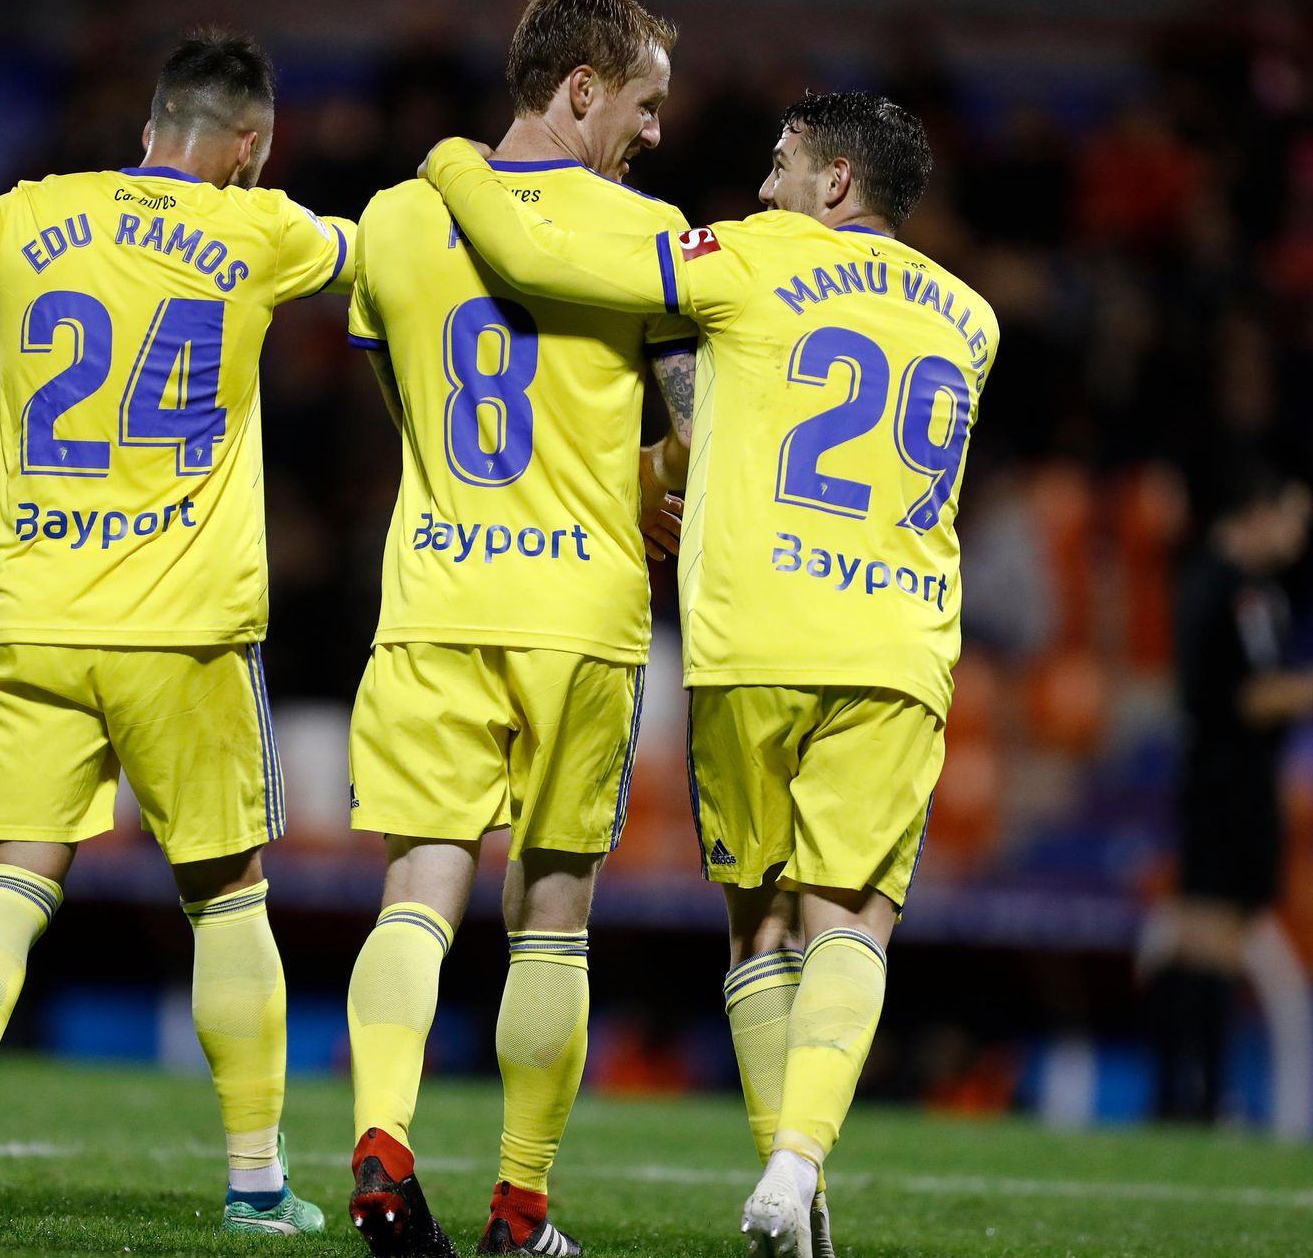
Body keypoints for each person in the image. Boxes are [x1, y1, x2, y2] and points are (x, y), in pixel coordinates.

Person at [422, 89, 997, 1258]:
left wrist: (453, 164)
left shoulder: (748, 256)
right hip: (894, 646)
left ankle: (792, 1175)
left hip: (749, 639)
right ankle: (798, 1165)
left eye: (782, 164)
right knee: (851, 923)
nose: (764, 183)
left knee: (757, 927)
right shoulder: (972, 318)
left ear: (836, 182)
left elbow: (540, 257)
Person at [0, 29, 355, 1238]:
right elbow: (391, 253)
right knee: (228, 899)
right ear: (251, 146)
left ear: (147, 128)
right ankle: (255, 1183)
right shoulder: (263, 228)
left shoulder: (25, 213)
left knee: (11, 883)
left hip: (33, 620)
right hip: (186, 634)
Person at [341, 0, 692, 1255]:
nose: (654, 132)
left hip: (436, 592)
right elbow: (694, 439)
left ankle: (381, 1145)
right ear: (582, 89)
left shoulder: (393, 219)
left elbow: (407, 410)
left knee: (415, 894)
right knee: (552, 913)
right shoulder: (651, 234)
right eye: (644, 103)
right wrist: (644, 481)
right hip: (578, 611)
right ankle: (520, 1208)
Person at [1143, 464, 1313, 1125]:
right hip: (1221, 780)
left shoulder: (1262, 591)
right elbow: (1238, 695)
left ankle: (1188, 1098)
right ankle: (1191, 1100)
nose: (1299, 534)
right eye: (1293, 517)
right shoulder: (1215, 584)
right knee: (1207, 932)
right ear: (1258, 510)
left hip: (1247, 778)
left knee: (1222, 931)